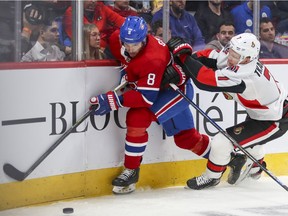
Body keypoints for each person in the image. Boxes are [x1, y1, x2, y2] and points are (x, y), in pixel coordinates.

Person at [89, 16, 211, 194]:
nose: (130, 49)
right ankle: (228, 159)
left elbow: (145, 98)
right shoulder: (118, 38)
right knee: (186, 138)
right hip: (157, 90)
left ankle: (131, 170)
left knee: (138, 117)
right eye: (127, 43)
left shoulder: (152, 58)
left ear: (145, 38)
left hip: (174, 92)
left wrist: (112, 101)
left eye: (135, 44)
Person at [168, 33, 288, 190]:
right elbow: (210, 56)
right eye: (231, 51)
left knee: (222, 142)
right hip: (262, 113)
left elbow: (204, 80)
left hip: (275, 120)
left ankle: (212, 177)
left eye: (235, 55)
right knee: (250, 142)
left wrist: (183, 58)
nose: (229, 56)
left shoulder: (245, 76)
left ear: (246, 59)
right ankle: (256, 170)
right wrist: (185, 57)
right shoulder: (240, 57)